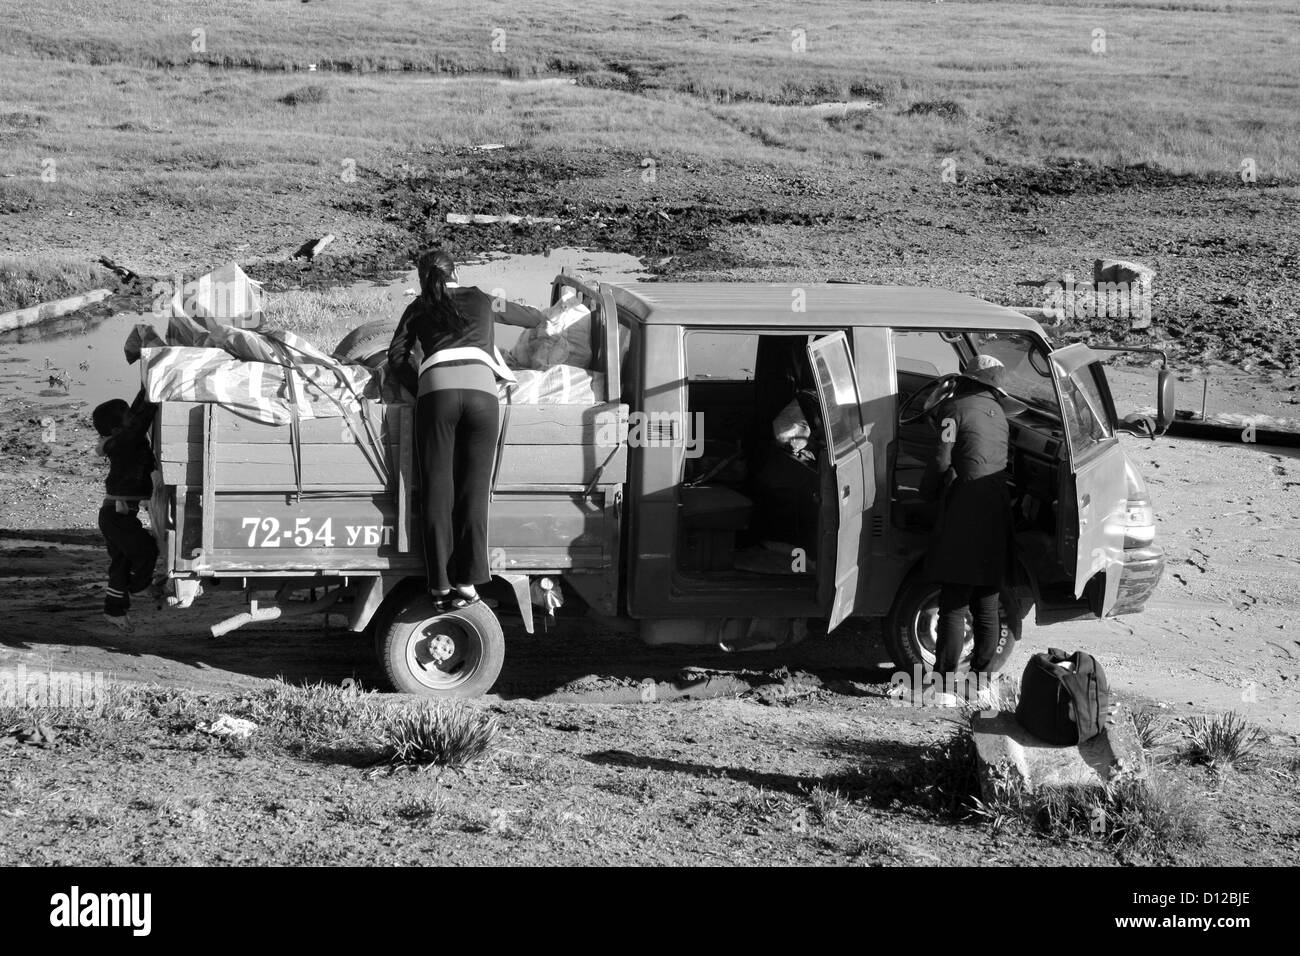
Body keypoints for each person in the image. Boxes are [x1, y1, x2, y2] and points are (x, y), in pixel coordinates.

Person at [386, 249, 547, 610]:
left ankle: (440, 586)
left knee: (437, 491)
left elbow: (396, 357)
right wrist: (542, 315)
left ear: (422, 277)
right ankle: (468, 580)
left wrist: (423, 386)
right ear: (457, 271)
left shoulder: (417, 307)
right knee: (474, 492)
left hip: (437, 396)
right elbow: (530, 316)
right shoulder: (484, 298)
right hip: (481, 396)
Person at [919, 353, 1016, 704]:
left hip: (964, 514)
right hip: (996, 513)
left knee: (954, 604)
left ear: (966, 381)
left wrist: (925, 494)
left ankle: (943, 689)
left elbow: (941, 460)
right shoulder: (1001, 418)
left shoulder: (954, 411)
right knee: (986, 604)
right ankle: (982, 685)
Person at [92, 389, 160, 633]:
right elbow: (141, 417)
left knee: (121, 563)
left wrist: (147, 387)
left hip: (115, 514)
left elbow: (137, 414)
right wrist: (154, 391)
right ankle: (140, 585)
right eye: (126, 417)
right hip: (116, 516)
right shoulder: (125, 441)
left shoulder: (122, 439)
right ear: (115, 429)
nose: (131, 418)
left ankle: (114, 610)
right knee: (147, 549)